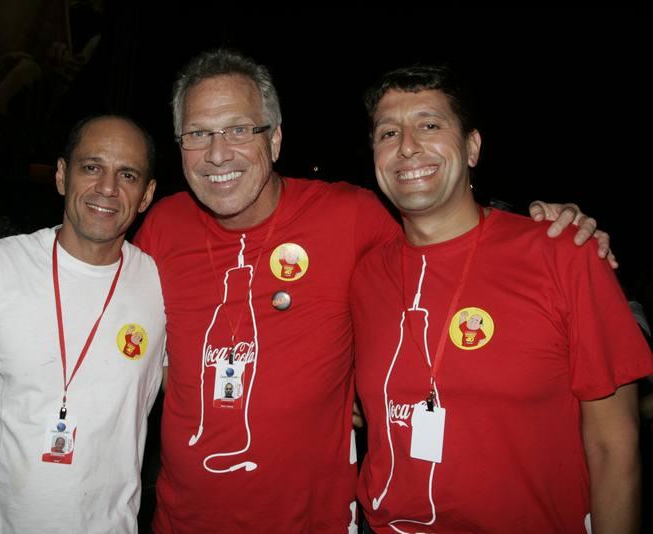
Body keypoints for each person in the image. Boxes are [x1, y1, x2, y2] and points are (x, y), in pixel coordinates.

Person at [133, 49, 613, 532]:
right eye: (198, 134)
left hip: (314, 521)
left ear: (274, 139)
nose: (218, 153)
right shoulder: (161, 228)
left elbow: (449, 239)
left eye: (239, 129)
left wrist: (550, 232)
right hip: (180, 520)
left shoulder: (352, 217)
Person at [350, 65, 653, 533]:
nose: (407, 146)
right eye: (389, 132)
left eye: (429, 125)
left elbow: (615, 445)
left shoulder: (562, 254)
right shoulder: (362, 275)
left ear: (472, 147)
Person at [0, 115, 166, 533]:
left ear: (146, 195)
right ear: (62, 176)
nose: (107, 188)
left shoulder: (161, 286)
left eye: (127, 175)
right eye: (91, 167)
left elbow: (190, 405)